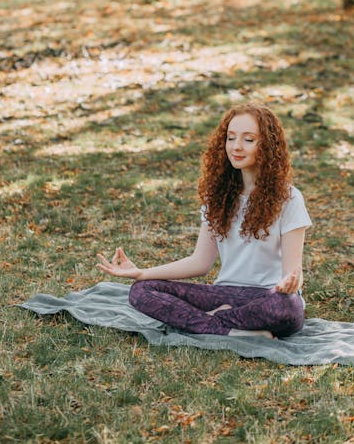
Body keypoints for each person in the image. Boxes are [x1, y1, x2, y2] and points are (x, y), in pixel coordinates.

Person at [97, 104, 312, 338]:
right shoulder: (217, 197)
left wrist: (289, 284)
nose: (236, 147)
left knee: (287, 306)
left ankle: (209, 321)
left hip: (268, 297)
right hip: (224, 294)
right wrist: (142, 273)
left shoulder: (289, 198)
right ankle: (234, 331)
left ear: (268, 146)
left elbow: (293, 272)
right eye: (231, 138)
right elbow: (200, 262)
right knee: (141, 291)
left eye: (249, 140)